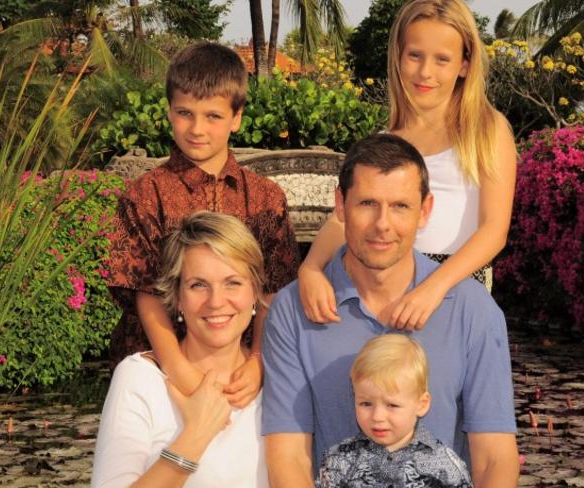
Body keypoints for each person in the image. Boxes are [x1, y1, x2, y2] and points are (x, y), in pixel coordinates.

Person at [262, 133, 519, 488]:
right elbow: (289, 459)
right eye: (367, 203)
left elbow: (494, 459)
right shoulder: (293, 311)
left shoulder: (472, 309)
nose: (383, 224)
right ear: (340, 205)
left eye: (400, 206)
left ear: (424, 211)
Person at [298, 0, 517, 330]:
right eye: (415, 55)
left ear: (464, 65)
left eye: (442, 59)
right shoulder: (387, 140)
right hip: (384, 282)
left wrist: (432, 288)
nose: (425, 72)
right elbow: (343, 218)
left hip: (456, 282)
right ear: (398, 57)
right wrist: (311, 269)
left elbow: (493, 231)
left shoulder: (487, 129)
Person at [106, 42, 299, 408]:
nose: (197, 129)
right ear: (169, 112)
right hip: (158, 368)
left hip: (240, 368)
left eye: (212, 116)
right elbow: (144, 293)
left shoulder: (264, 198)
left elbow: (274, 288)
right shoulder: (144, 196)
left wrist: (259, 360)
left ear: (236, 116)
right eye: (185, 113)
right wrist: (179, 370)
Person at [92, 212, 270, 487]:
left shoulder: (280, 377)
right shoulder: (140, 379)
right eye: (198, 285)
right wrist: (196, 434)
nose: (216, 301)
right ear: (177, 298)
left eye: (232, 283)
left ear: (255, 291)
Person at [317, 334, 472, 487]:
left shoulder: (445, 466)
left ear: (421, 404)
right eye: (366, 403)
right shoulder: (338, 460)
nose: (377, 417)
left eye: (392, 405)